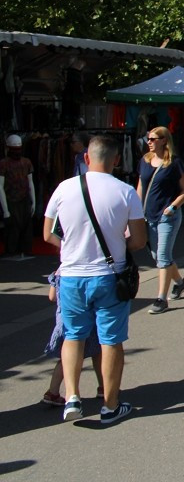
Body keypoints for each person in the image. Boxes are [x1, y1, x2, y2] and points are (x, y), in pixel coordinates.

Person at [42, 134, 147, 423]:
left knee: (73, 336)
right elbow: (138, 240)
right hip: (110, 276)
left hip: (72, 275)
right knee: (110, 341)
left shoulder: (64, 188)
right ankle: (110, 405)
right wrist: (117, 244)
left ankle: (72, 396)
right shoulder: (126, 192)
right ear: (116, 160)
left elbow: (47, 233)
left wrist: (72, 247)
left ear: (86, 158)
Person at [137, 127, 184, 315]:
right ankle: (180, 282)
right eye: (148, 139)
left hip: (167, 216)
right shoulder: (145, 161)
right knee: (158, 257)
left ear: (163, 140)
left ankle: (161, 298)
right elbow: (140, 186)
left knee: (162, 257)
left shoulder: (174, 163)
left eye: (153, 139)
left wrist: (173, 207)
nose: (149, 142)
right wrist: (136, 210)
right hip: (148, 215)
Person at [42, 268, 104, 407]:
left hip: (64, 320)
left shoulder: (58, 272)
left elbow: (51, 297)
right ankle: (103, 387)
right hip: (84, 318)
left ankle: (53, 392)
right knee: (97, 352)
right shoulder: (84, 271)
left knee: (67, 357)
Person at [0, 134, 36, 258]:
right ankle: (13, 249)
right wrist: (5, 209)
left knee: (23, 226)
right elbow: (0, 186)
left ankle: (23, 249)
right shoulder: (4, 164)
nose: (17, 151)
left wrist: (33, 201)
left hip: (22, 198)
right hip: (11, 199)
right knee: (13, 227)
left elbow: (30, 182)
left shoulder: (26, 162)